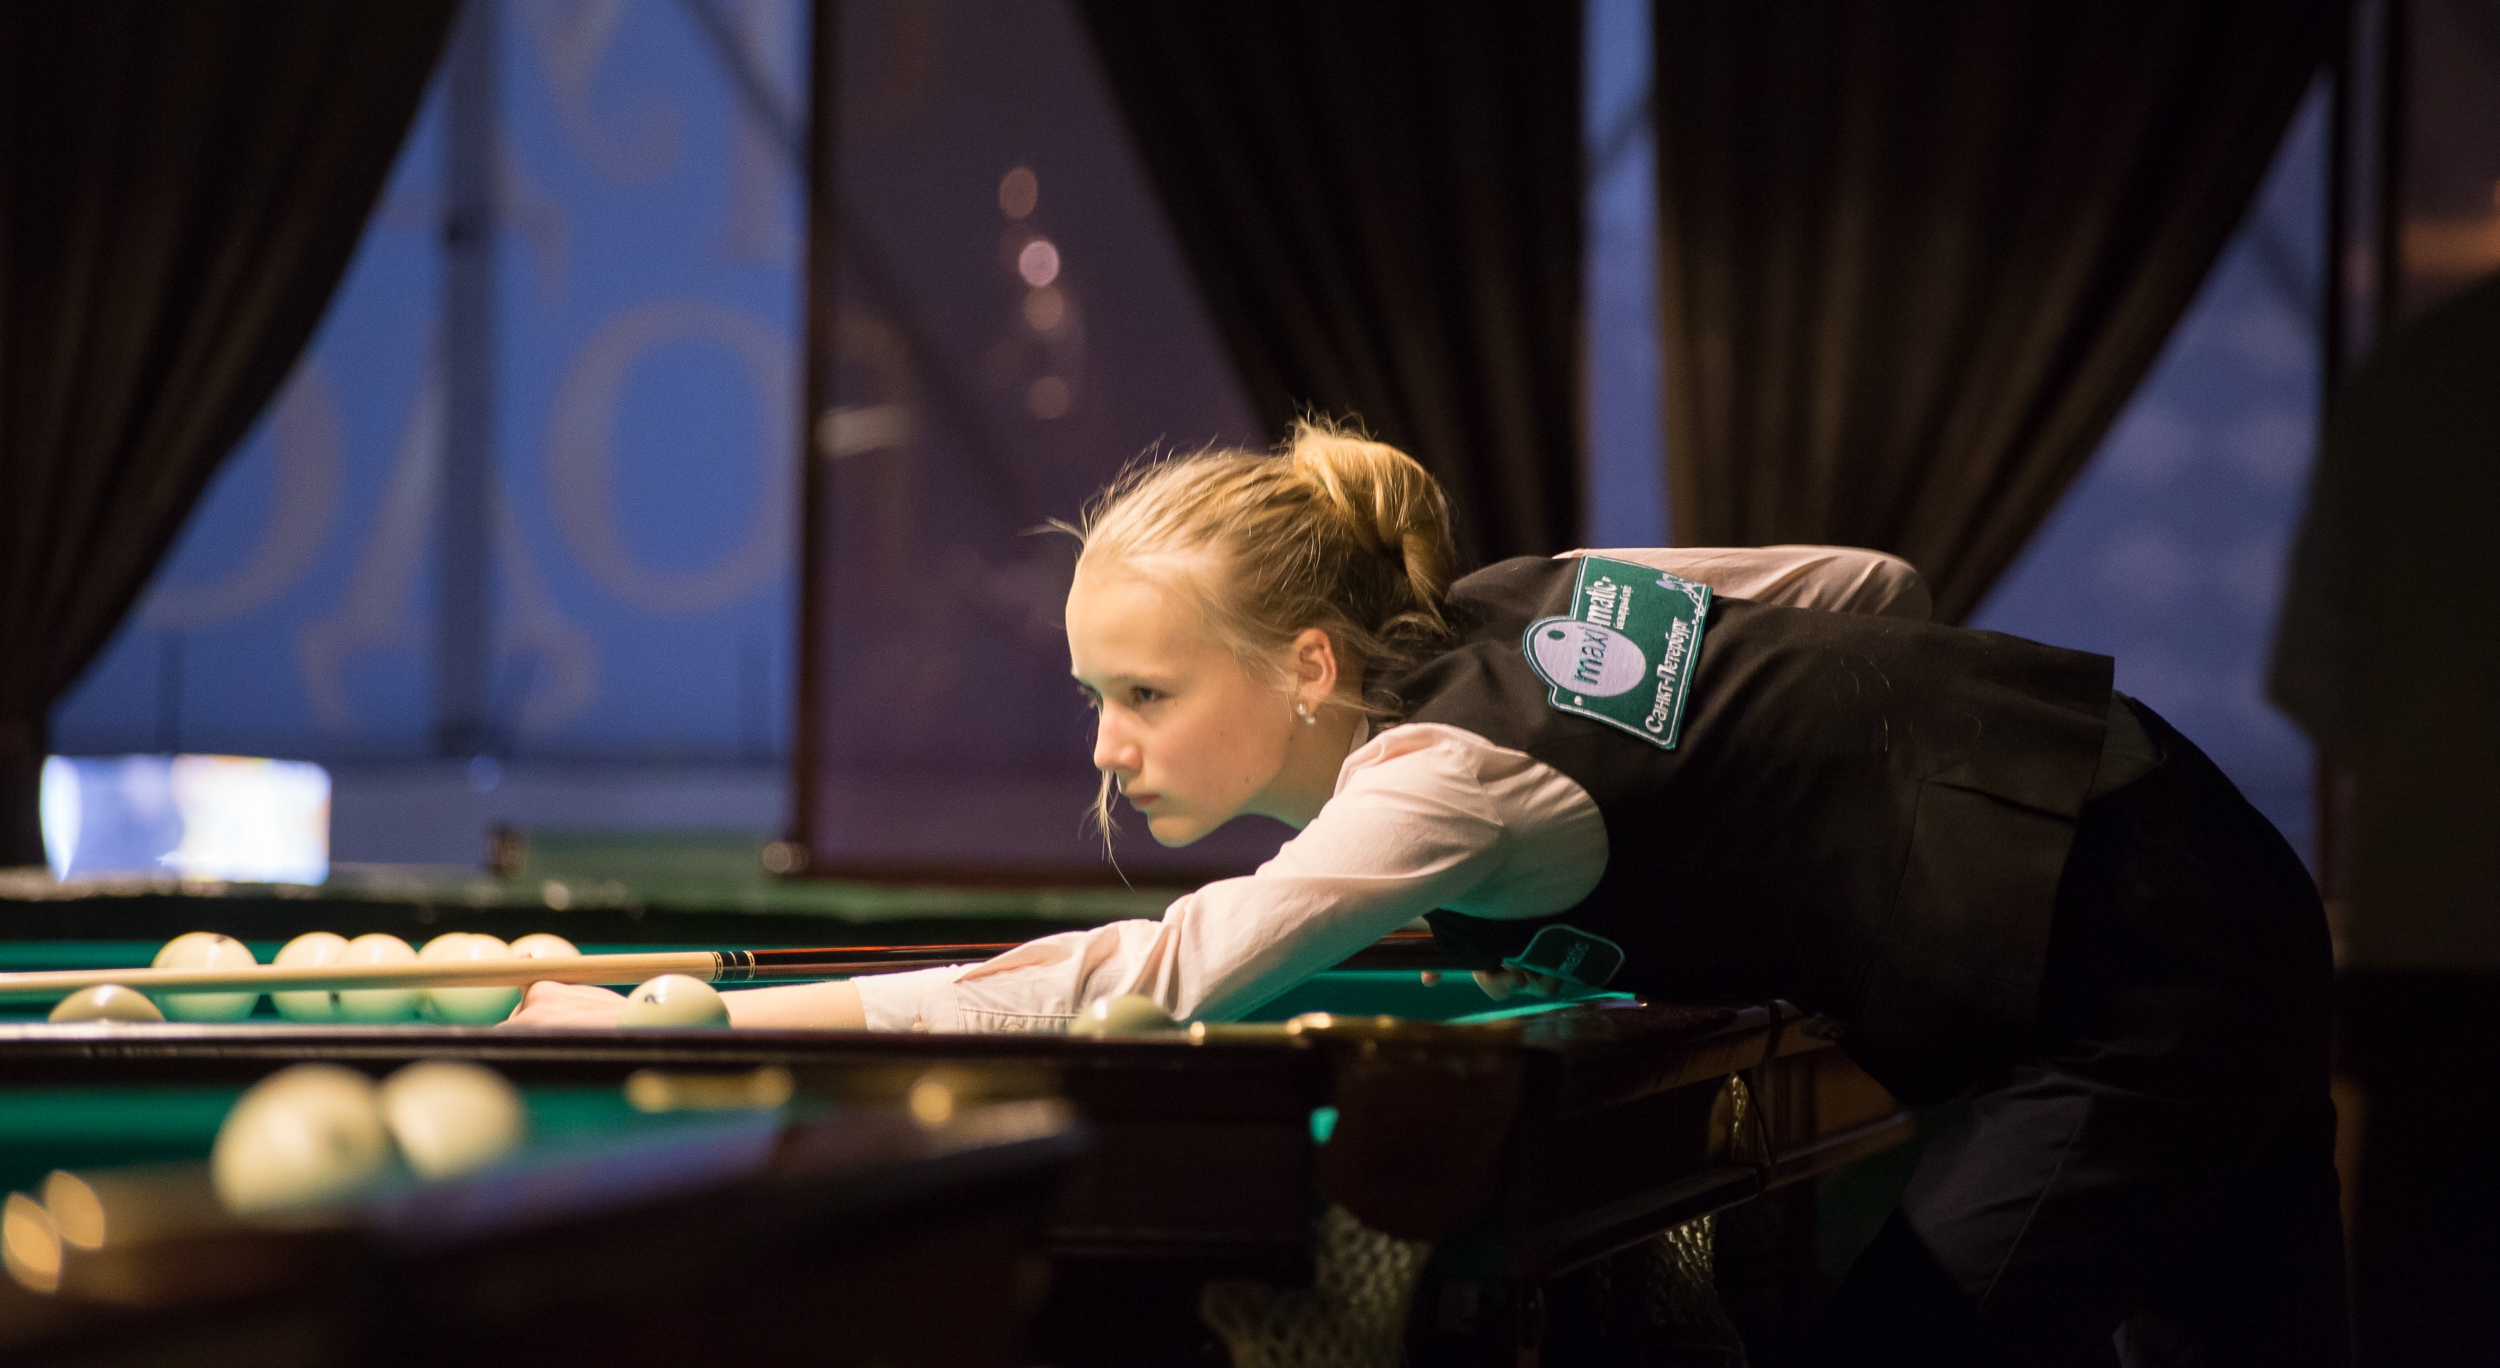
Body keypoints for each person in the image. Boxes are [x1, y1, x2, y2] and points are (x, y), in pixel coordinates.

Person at [511, 420, 2340, 1364]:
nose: (1109, 747)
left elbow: (1144, 980)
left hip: (2139, 960)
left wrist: (714, 1013)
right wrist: (1791, 797)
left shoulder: (1440, 778)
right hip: (2179, 842)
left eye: (1144, 692)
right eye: (1092, 696)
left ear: (1308, 665)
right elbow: (1869, 584)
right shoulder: (1517, 598)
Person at [2269, 270, 2500, 1366]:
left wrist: (2429, 757)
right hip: (2430, 931)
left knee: (2425, 1298)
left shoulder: (2416, 372)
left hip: (2427, 927)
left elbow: (2309, 669)